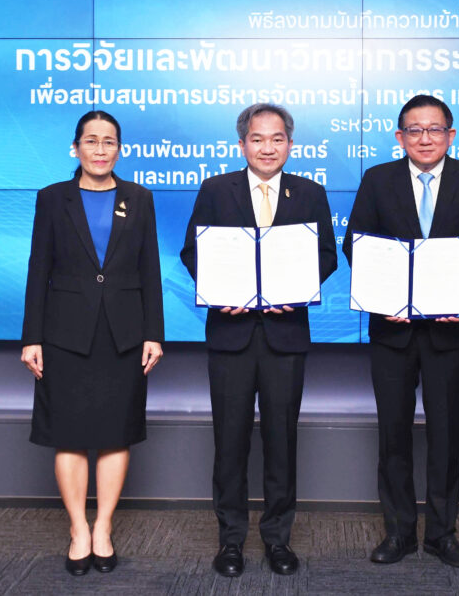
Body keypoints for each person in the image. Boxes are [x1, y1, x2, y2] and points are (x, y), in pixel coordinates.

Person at [343, 95, 459, 568]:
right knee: (393, 434)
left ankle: (441, 534)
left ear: (450, 136)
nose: (425, 138)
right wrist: (382, 297)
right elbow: (357, 245)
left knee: (446, 435)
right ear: (400, 137)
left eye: (435, 129)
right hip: (391, 331)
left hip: (448, 333)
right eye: (415, 130)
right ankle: (398, 533)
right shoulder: (378, 179)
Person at [180, 103, 337, 578]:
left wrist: (299, 290)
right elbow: (193, 251)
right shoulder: (216, 189)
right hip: (230, 335)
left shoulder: (309, 192)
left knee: (281, 441)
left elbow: (326, 255)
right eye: (257, 138)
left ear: (290, 144)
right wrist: (217, 291)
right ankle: (230, 541)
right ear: (242, 144)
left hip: (285, 337)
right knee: (229, 441)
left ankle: (277, 539)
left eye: (277, 139)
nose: (267, 148)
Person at [20, 110, 164, 577]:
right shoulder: (52, 198)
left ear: (120, 149)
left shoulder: (139, 198)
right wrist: (32, 337)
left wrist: (154, 333)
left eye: (109, 142)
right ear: (76, 147)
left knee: (116, 433)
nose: (100, 149)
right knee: (70, 436)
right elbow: (38, 268)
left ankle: (103, 528)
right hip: (64, 335)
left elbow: (149, 270)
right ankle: (78, 530)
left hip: (124, 335)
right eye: (91, 140)